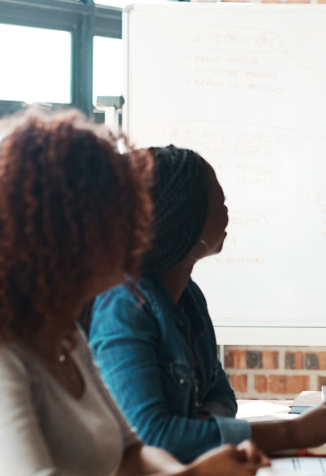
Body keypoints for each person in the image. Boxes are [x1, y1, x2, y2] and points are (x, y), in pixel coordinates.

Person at [0, 109, 266, 476]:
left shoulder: (67, 339)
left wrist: (193, 472)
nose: (136, 231)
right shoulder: (7, 360)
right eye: (116, 218)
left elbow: (131, 453)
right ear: (63, 236)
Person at [89, 145, 326, 463]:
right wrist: (293, 433)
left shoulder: (188, 297)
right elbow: (154, 438)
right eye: (217, 200)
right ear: (186, 219)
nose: (226, 209)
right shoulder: (124, 307)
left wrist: (194, 429)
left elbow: (222, 396)